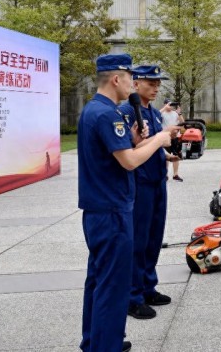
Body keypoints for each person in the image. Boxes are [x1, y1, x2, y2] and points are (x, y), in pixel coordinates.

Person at [78, 54, 172, 352]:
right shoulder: (107, 114)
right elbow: (130, 162)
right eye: (131, 77)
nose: (133, 83)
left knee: (99, 281)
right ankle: (106, 346)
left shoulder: (95, 110)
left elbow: (119, 154)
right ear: (117, 79)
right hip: (112, 211)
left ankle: (96, 341)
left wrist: (134, 141)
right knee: (113, 286)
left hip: (100, 209)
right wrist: (160, 139)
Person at [119, 65, 175, 320]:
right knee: (138, 241)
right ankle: (132, 296)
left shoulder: (151, 112)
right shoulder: (127, 112)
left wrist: (166, 152)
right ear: (136, 83)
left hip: (157, 181)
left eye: (157, 84)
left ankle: (148, 287)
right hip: (140, 183)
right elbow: (130, 148)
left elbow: (151, 145)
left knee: (154, 238)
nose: (156, 88)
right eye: (150, 83)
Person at [160, 101, 183, 181]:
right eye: (169, 104)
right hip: (166, 137)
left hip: (176, 137)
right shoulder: (162, 113)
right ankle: (165, 175)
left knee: (176, 155)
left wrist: (179, 113)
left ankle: (175, 174)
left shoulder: (175, 113)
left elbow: (182, 122)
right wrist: (164, 108)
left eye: (172, 104)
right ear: (165, 104)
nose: (171, 106)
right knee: (166, 156)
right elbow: (155, 116)